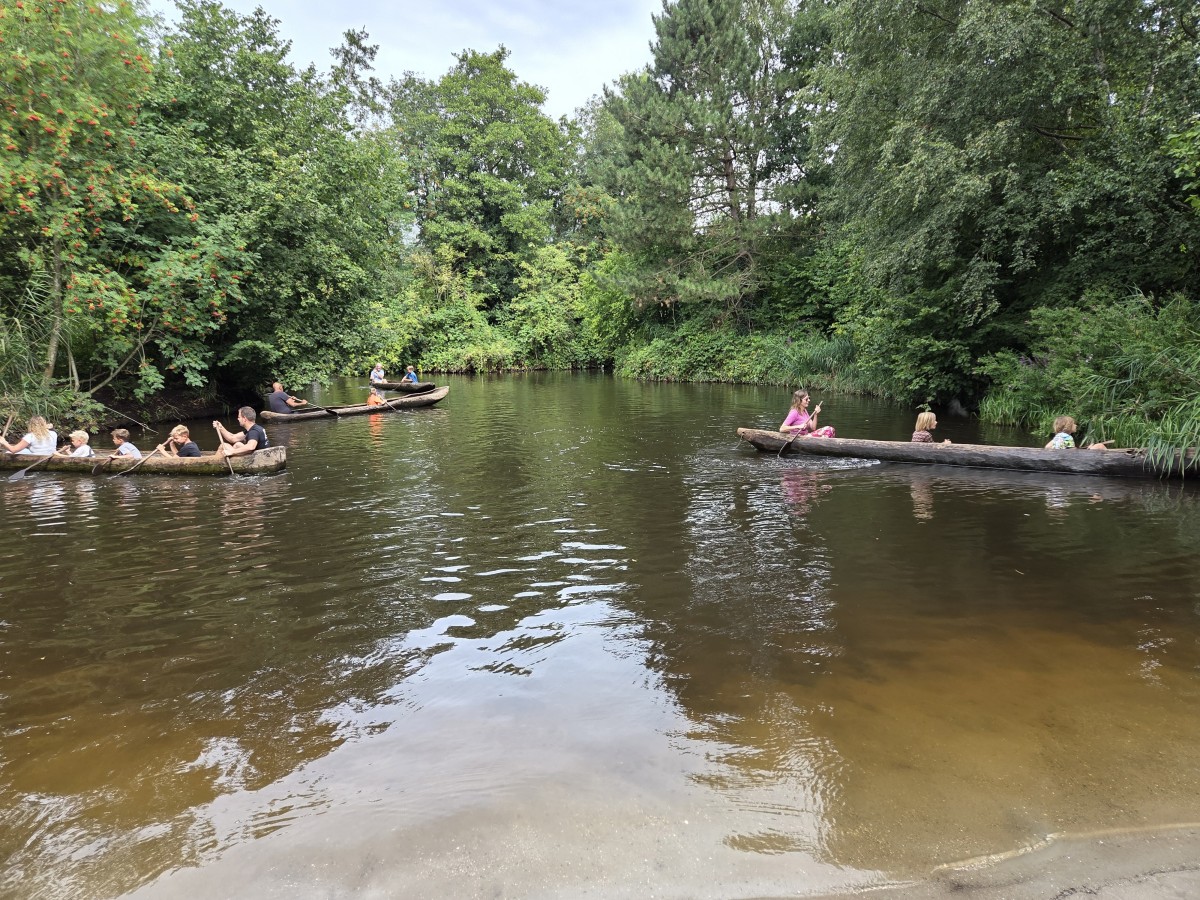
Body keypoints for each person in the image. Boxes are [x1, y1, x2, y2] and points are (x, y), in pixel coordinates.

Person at [1045, 415, 1112, 451]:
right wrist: (1088, 449)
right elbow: (1073, 452)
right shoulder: (1067, 437)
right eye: (1074, 424)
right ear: (1068, 426)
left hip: (1062, 456)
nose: (1076, 425)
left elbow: (1047, 447)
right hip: (1071, 459)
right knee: (1100, 445)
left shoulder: (1057, 436)